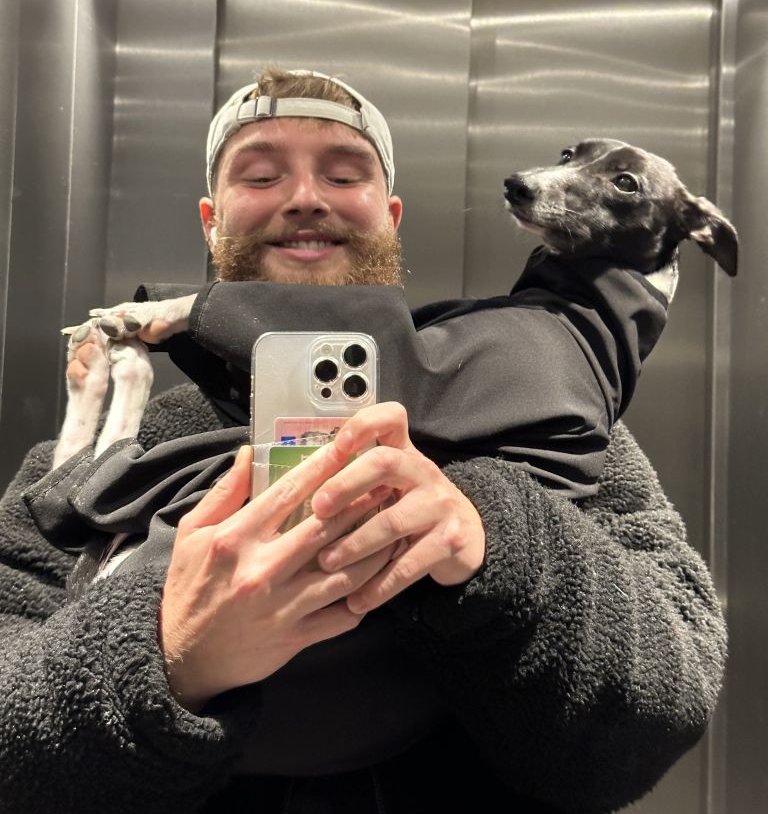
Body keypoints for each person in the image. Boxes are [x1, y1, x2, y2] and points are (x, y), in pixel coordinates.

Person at [0, 68, 725, 814]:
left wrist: (497, 540)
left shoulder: (551, 424)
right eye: (261, 175)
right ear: (211, 222)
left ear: (390, 217)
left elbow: (664, 705)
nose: (305, 198)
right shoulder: (102, 464)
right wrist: (167, 653)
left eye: (344, 176)